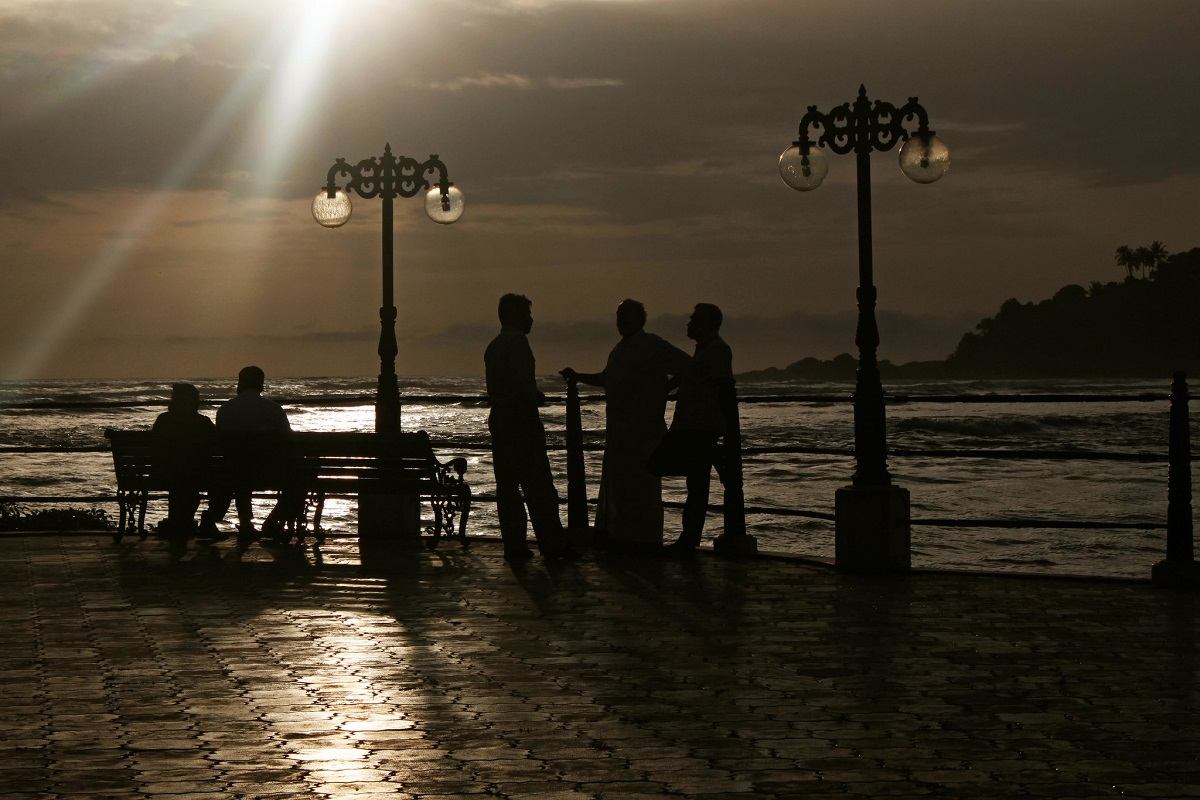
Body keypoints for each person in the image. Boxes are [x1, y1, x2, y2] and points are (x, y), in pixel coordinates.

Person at [561, 299, 689, 550]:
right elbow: (606, 378)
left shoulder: (653, 345)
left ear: (639, 319)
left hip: (644, 430)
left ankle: (645, 540)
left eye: (625, 316)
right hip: (619, 433)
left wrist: (663, 391)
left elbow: (686, 366)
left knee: (643, 488)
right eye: (619, 316)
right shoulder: (618, 350)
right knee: (622, 488)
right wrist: (578, 377)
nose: (620, 321)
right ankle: (623, 538)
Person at [484, 293, 572, 561]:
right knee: (539, 487)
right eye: (527, 314)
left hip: (500, 422)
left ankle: (514, 544)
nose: (531, 319)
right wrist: (537, 395)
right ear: (516, 316)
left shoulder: (494, 346)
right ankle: (552, 544)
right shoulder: (518, 344)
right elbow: (523, 385)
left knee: (508, 487)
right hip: (522, 423)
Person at [649, 303, 736, 556]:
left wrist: (726, 429)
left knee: (692, 483)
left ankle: (688, 539)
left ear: (706, 324)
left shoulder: (718, 350)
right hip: (691, 425)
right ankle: (689, 538)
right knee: (691, 481)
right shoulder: (703, 351)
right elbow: (690, 374)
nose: (688, 323)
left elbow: (723, 389)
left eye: (693, 319)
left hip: (700, 426)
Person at [197, 366, 296, 545]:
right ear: (261, 385)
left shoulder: (225, 410)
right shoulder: (273, 409)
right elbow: (288, 440)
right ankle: (272, 522)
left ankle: (241, 523)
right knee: (300, 481)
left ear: (240, 383)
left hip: (232, 472)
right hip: (268, 473)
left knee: (240, 471)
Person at [151, 383, 215, 538]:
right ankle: (191, 523)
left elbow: (155, 447)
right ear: (194, 401)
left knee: (180, 481)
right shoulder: (203, 422)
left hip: (163, 474)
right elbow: (216, 446)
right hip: (196, 475)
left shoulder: (163, 420)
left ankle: (179, 524)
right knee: (192, 482)